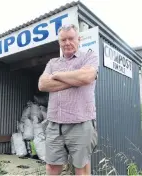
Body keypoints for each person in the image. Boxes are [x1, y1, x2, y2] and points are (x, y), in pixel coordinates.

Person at [38, 24, 99, 175]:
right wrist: (74, 80)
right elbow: (43, 84)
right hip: (54, 124)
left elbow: (86, 77)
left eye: (71, 38)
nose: (67, 43)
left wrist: (57, 76)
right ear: (59, 42)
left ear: (79, 39)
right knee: (51, 167)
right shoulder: (53, 63)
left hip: (81, 123)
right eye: (63, 40)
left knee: (81, 168)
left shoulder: (89, 56)